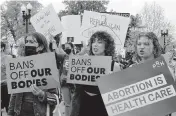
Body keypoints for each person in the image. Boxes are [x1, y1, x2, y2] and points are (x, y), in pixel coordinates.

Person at [70, 31, 121, 116]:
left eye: (99, 42)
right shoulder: (84, 61)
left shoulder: (114, 66)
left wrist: (110, 80)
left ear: (107, 46)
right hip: (84, 104)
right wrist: (75, 70)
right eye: (93, 41)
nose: (95, 44)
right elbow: (75, 86)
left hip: (102, 107)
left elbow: (117, 94)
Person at [7, 32, 58, 116]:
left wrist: (42, 94)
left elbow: (56, 98)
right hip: (20, 113)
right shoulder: (20, 65)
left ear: (41, 47)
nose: (27, 44)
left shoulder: (49, 66)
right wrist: (10, 113)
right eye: (27, 41)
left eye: (31, 42)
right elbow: (14, 95)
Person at [131, 32, 174, 116]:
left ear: (154, 47)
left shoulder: (165, 69)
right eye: (139, 44)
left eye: (146, 44)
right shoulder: (131, 68)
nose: (142, 47)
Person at [1, 42, 12, 114]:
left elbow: (11, 72)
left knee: (8, 106)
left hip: (5, 84)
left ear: (2, 48)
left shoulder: (8, 57)